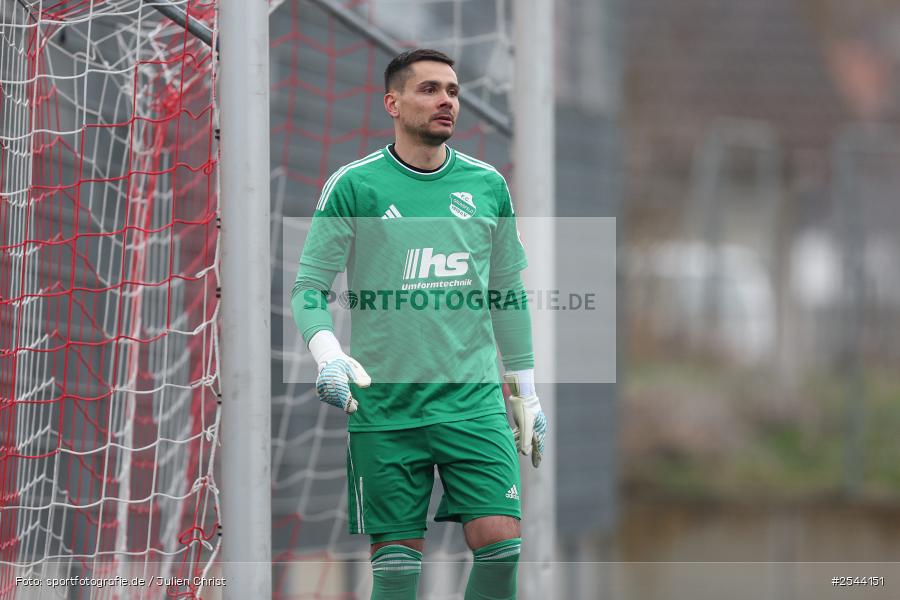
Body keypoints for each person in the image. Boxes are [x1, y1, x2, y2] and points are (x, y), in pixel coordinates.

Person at [291, 48, 547, 600]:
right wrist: (328, 355)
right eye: (430, 89)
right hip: (385, 410)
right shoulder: (354, 186)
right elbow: (308, 290)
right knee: (397, 573)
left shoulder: (487, 186)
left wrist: (525, 391)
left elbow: (508, 292)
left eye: (452, 91)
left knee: (503, 547)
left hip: (473, 403)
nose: (446, 101)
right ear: (393, 102)